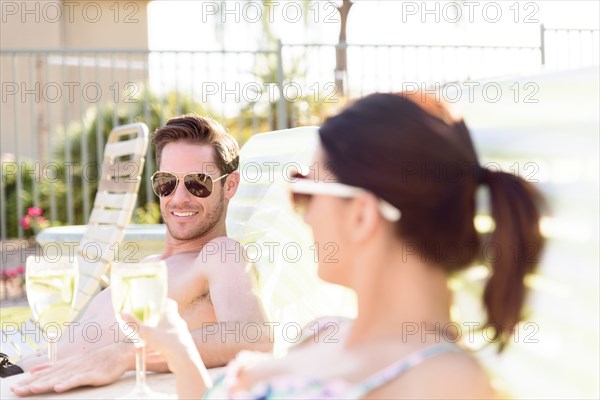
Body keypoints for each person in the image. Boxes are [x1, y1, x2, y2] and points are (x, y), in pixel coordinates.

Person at [16, 91, 545, 398]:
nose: (299, 214)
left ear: (361, 214)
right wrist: (176, 351)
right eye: (166, 184)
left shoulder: (442, 382)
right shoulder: (328, 334)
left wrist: (131, 356)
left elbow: (251, 336)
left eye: (304, 191)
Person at [10, 115, 271, 392]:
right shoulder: (149, 266)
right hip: (18, 371)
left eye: (198, 182)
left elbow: (252, 336)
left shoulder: (220, 254)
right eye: (166, 182)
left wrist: (125, 355)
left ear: (229, 185)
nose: (179, 197)